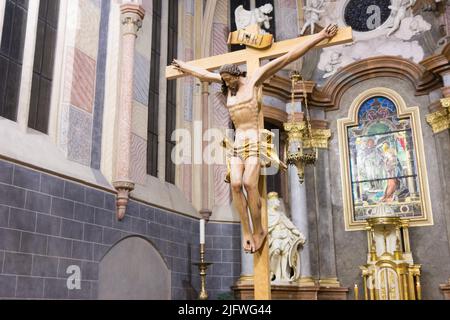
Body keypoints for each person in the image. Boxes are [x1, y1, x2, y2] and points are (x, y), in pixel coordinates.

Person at [172, 24, 339, 253]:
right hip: (237, 144)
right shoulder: (225, 85)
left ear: (237, 74)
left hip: (255, 142)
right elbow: (203, 74)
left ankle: (259, 228)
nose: (227, 84)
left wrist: (319, 36)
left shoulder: (254, 79)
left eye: (229, 79)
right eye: (224, 80)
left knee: (250, 184)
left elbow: (287, 56)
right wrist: (184, 67)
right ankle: (246, 230)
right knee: (236, 184)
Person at [268, 192, 305, 282]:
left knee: (286, 255)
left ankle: (285, 275)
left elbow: (291, 226)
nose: (279, 203)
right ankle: (272, 272)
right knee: (276, 251)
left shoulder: (281, 214)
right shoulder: (267, 214)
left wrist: (299, 234)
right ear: (272, 202)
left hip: (285, 237)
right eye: (277, 201)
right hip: (275, 238)